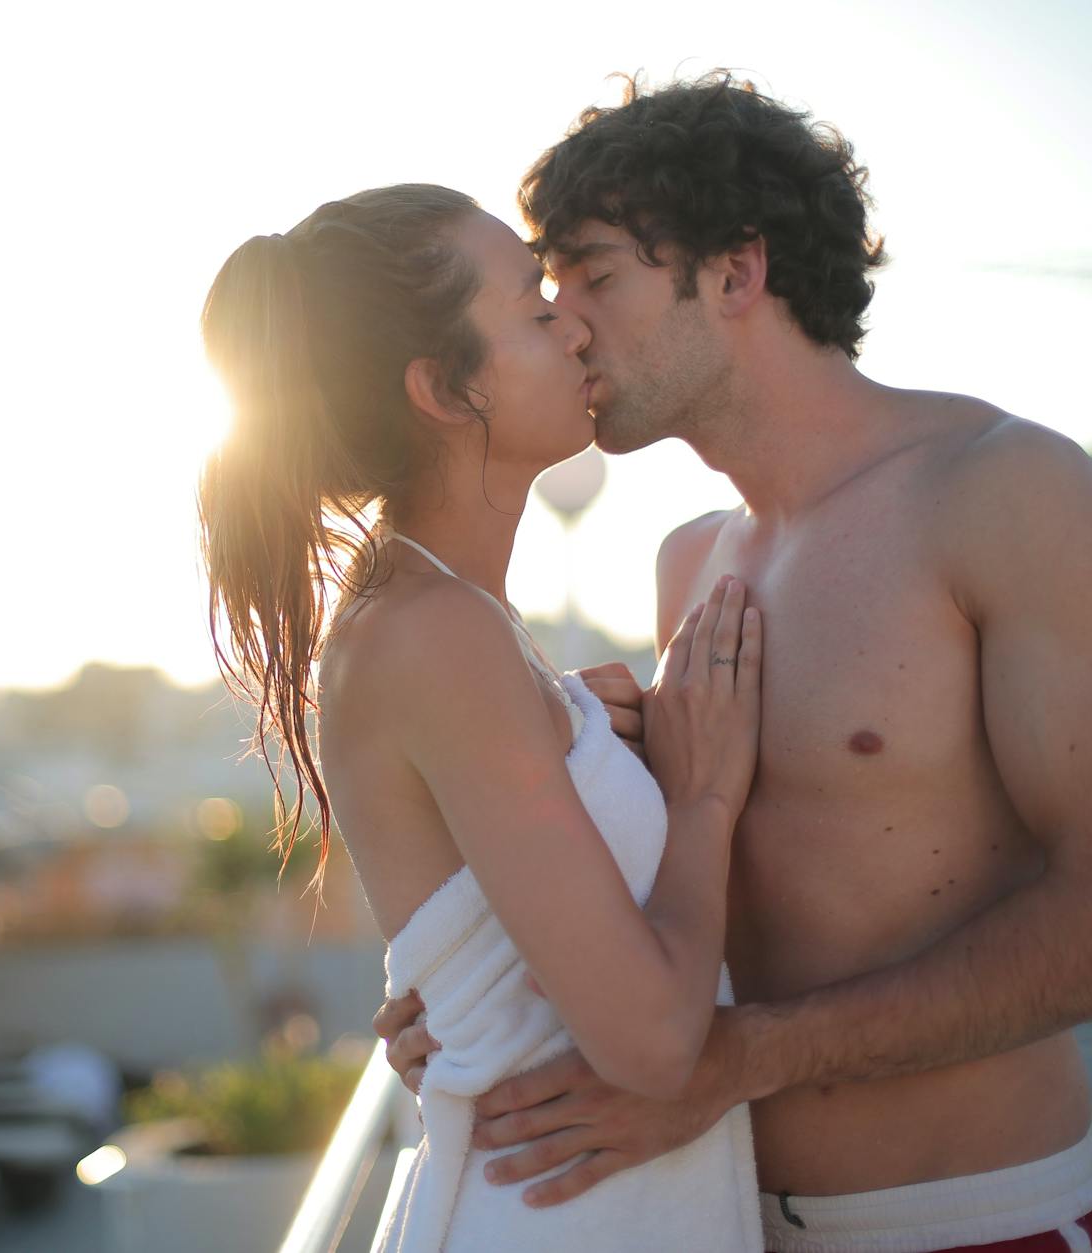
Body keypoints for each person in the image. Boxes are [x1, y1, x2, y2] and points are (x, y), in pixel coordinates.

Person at [374, 74, 1092, 1253]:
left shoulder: (1005, 491)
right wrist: (468, 1005)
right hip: (719, 1220)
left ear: (736, 272)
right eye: (548, 291)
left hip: (973, 1224)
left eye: (595, 275)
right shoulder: (686, 564)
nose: (566, 323)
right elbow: (694, 914)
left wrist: (739, 1059)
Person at [197, 184, 763, 1250]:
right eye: (531, 308)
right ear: (443, 389)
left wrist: (586, 741)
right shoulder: (433, 632)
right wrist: (704, 794)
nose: (573, 326)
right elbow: (649, 1045)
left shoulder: (454, 620)